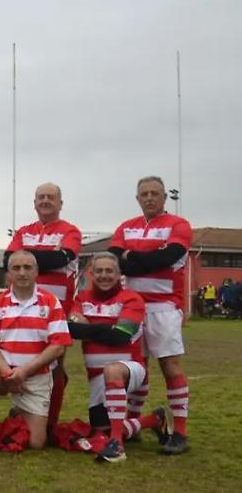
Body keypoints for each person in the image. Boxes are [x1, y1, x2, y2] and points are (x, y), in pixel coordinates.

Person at [108, 175, 193, 455]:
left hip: (164, 307)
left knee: (169, 366)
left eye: (155, 193)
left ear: (164, 197)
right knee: (136, 366)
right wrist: (141, 259)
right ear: (137, 198)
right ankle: (134, 422)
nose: (149, 198)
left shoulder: (178, 225)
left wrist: (133, 259)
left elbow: (166, 258)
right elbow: (115, 261)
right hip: (131, 306)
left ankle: (179, 431)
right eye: (144, 194)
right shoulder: (125, 226)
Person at [0, 251, 70, 456]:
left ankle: (18, 414)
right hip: (3, 373)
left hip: (35, 375)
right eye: (16, 268)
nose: (22, 273)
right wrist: (7, 372)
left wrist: (24, 372)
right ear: (9, 273)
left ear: (37, 272)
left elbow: (58, 346)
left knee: (36, 443)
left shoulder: (51, 302)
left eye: (27, 268)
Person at [66, 252, 172, 462]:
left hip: (131, 369)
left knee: (112, 369)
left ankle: (117, 446)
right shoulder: (81, 298)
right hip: (97, 378)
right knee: (99, 433)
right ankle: (154, 419)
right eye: (99, 271)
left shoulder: (132, 299)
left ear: (118, 274)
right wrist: (107, 328)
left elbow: (120, 336)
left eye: (109, 271)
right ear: (91, 273)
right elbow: (72, 330)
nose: (104, 275)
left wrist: (89, 327)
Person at [5, 183, 82, 432]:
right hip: (22, 307)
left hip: (55, 309)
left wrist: (25, 255)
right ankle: (24, 411)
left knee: (55, 365)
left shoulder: (71, 230)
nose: (46, 201)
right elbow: (8, 259)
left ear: (61, 203)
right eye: (41, 197)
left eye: (51, 197)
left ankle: (50, 421)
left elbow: (63, 258)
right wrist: (46, 257)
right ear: (34, 202)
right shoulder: (24, 230)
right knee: (22, 361)